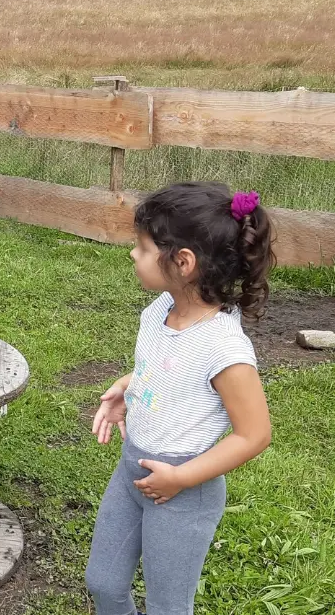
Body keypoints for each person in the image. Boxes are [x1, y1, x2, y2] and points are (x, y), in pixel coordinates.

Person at [86, 183, 275, 615]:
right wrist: (126, 386)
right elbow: (165, 368)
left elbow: (255, 434)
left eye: (143, 246)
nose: (133, 254)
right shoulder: (157, 312)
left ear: (183, 262)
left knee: (168, 606)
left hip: (184, 494)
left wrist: (182, 479)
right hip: (132, 473)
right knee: (103, 584)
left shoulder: (225, 350)